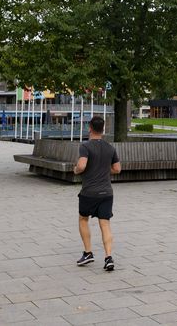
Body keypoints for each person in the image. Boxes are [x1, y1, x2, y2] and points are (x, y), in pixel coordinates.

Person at [74, 116, 120, 271]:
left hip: (89, 192)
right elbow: (117, 169)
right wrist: (104, 171)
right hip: (107, 192)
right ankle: (108, 257)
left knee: (83, 219)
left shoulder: (85, 146)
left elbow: (81, 165)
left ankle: (88, 253)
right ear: (103, 129)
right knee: (105, 223)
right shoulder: (110, 147)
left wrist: (76, 170)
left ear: (90, 128)